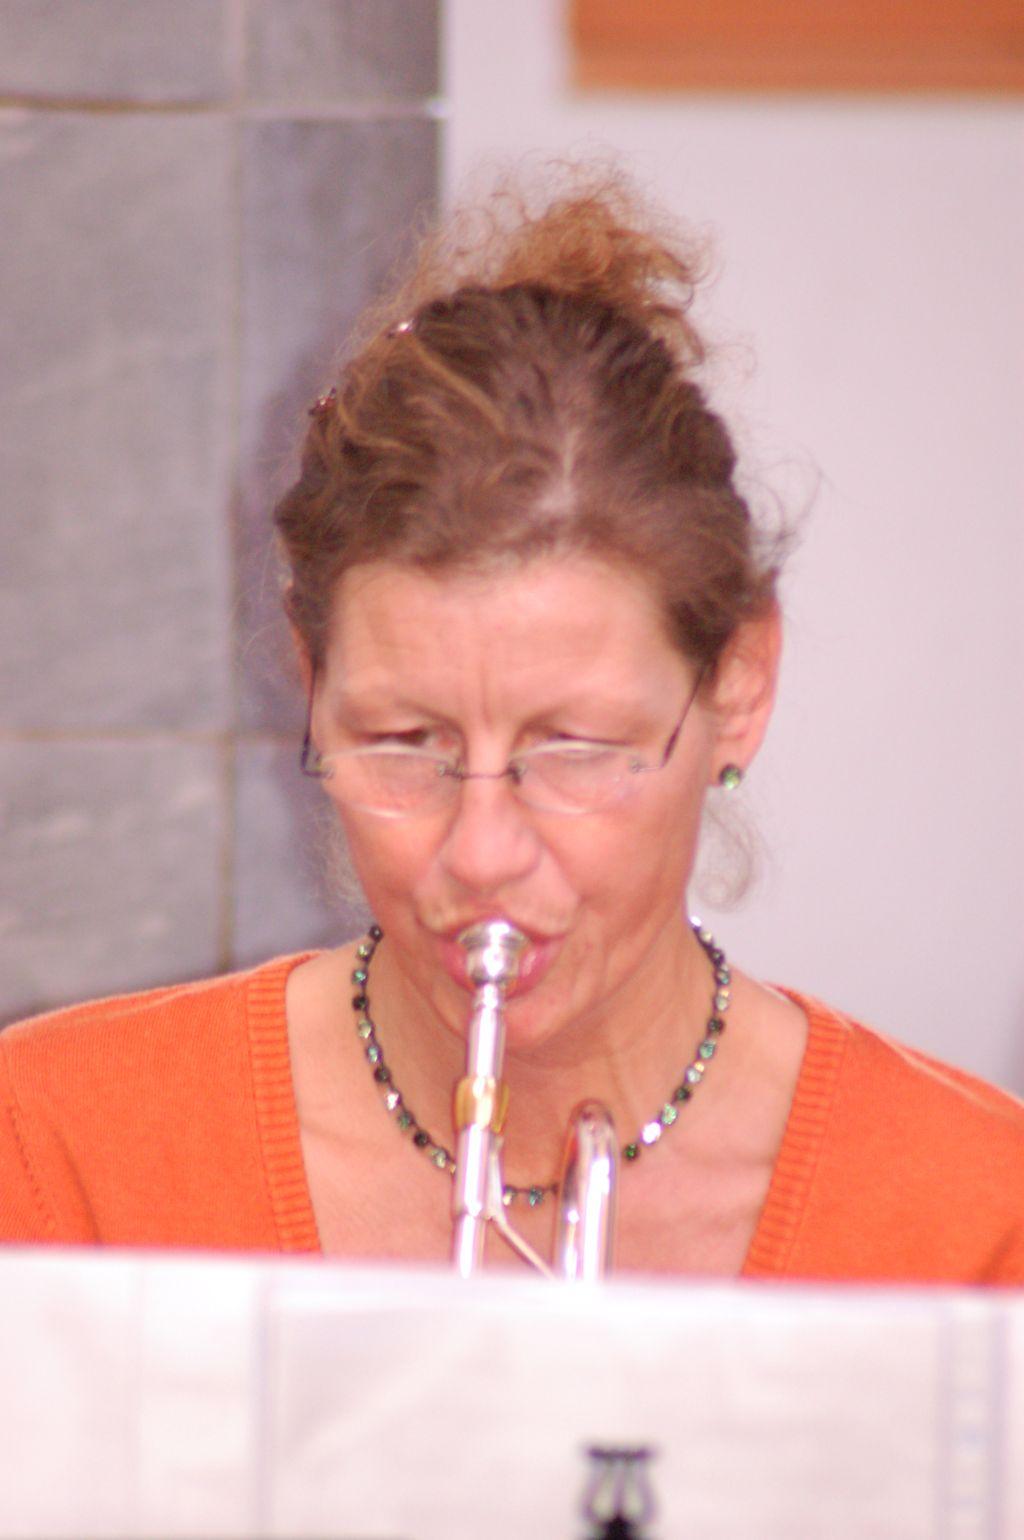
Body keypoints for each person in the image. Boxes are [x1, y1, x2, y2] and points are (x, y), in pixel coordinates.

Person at [1, 175, 1022, 1282]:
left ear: (736, 687)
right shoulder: (55, 1153)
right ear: (310, 681)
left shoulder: (980, 1219)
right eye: (404, 741)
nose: (481, 854)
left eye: (573, 747)